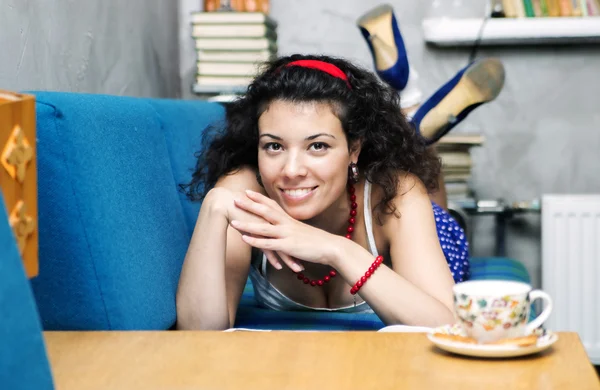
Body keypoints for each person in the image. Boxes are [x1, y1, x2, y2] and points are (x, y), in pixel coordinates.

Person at [176, 54, 469, 331]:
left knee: (438, 211)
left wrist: (336, 250)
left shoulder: (397, 194)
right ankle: (415, 117)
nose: (292, 170)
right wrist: (213, 205)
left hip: (413, 220)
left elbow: (447, 325)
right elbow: (200, 330)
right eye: (274, 146)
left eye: (317, 146)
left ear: (354, 149)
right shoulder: (244, 195)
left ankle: (420, 128)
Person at [357, 4, 506, 210]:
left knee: (417, 214)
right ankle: (414, 113)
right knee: (433, 215)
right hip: (430, 226)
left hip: (398, 223)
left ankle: (409, 98)